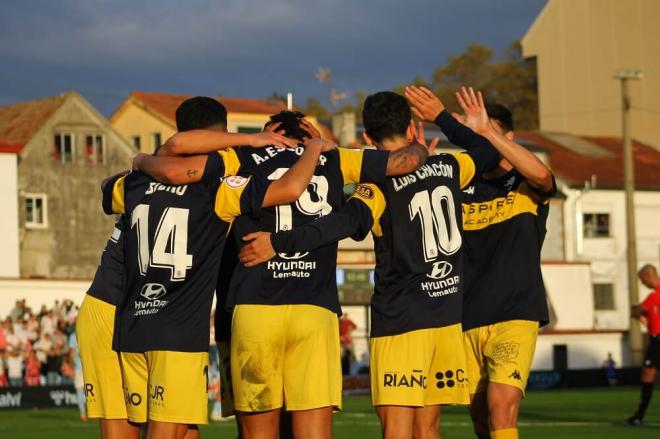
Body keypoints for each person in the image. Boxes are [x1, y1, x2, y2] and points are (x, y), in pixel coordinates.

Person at [141, 109, 430, 439]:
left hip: (254, 307)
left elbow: (178, 150)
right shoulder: (336, 158)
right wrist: (419, 147)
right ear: (309, 135)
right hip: (314, 309)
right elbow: (403, 162)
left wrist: (142, 160)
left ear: (270, 133)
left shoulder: (243, 155)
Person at [238, 89, 499, 439]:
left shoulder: (378, 184)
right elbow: (489, 151)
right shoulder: (449, 166)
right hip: (447, 315)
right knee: (429, 429)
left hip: (402, 319)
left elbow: (342, 224)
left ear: (367, 138)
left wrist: (278, 243)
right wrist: (442, 118)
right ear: (411, 127)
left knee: (397, 430)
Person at [107, 113, 326, 439]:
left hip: (132, 325)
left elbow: (163, 160)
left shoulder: (132, 183)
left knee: (177, 428)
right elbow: (292, 188)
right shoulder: (217, 191)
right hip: (178, 331)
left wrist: (141, 159)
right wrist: (316, 147)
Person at [418, 88, 555, 439]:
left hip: (515, 313)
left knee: (500, 406)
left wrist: (486, 133)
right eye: (473, 135)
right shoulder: (463, 184)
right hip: (466, 314)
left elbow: (543, 177)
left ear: (508, 137)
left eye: (485, 132)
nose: (477, 141)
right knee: (479, 415)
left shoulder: (526, 183)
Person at [627, 264, 660, 426]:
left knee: (647, 375)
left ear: (648, 276)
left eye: (642, 280)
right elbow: (647, 318)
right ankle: (639, 415)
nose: (642, 284)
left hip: (658, 341)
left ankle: (639, 415)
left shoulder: (655, 295)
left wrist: (636, 312)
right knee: (648, 373)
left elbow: (637, 311)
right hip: (655, 339)